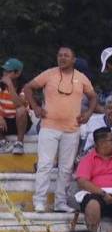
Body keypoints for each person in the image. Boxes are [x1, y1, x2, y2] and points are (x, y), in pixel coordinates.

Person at [24, 47, 97, 212]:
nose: (62, 58)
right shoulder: (49, 74)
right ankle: (39, 201)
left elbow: (93, 96)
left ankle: (60, 203)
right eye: (60, 55)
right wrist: (35, 107)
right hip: (49, 127)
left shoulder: (81, 77)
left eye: (66, 56)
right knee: (45, 165)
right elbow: (28, 88)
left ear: (73, 60)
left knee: (66, 168)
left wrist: (88, 113)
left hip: (72, 129)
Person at [0, 57, 29, 153]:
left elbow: (19, 105)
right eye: (4, 71)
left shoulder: (25, 87)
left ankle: (19, 144)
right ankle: (3, 142)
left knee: (21, 110)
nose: (5, 74)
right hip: (4, 122)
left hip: (20, 123)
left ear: (18, 73)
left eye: (8, 72)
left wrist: (10, 85)